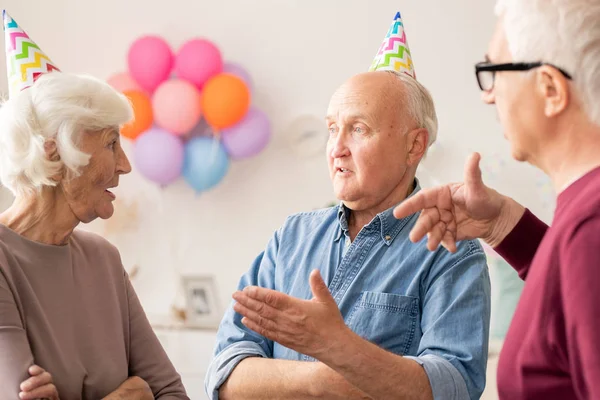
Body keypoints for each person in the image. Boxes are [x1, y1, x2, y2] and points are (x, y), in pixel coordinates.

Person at [205, 12, 491, 400]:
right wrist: (320, 381)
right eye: (331, 129)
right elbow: (224, 374)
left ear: (414, 146)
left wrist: (337, 348)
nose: (337, 148)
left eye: (358, 129)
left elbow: (452, 388)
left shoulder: (450, 251)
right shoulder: (293, 235)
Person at [393, 0, 600, 399]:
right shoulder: (584, 213)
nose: (488, 97)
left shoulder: (591, 225)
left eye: (492, 72)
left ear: (550, 89)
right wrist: (505, 224)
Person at [0, 10, 189, 400]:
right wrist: (129, 395)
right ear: (55, 152)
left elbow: (171, 391)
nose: (125, 165)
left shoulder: (103, 258)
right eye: (110, 144)